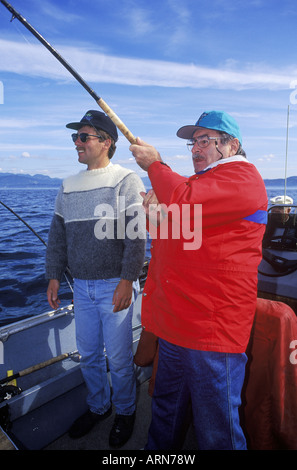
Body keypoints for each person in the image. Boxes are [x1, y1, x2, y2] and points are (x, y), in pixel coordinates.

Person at [130, 110, 268, 450]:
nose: (195, 148)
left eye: (205, 140)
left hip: (212, 327)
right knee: (165, 408)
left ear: (232, 145)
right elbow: (173, 232)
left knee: (216, 425)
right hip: (178, 321)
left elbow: (186, 204)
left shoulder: (242, 178)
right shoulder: (200, 184)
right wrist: (152, 214)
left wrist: (155, 165)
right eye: (194, 142)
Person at [45, 110, 146, 447]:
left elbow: (136, 238)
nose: (77, 142)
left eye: (84, 136)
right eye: (76, 137)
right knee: (87, 355)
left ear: (106, 142)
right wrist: (54, 277)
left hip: (114, 285)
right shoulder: (67, 185)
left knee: (118, 359)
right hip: (81, 288)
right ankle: (99, 406)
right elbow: (57, 235)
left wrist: (126, 280)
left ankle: (127, 411)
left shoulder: (126, 179)